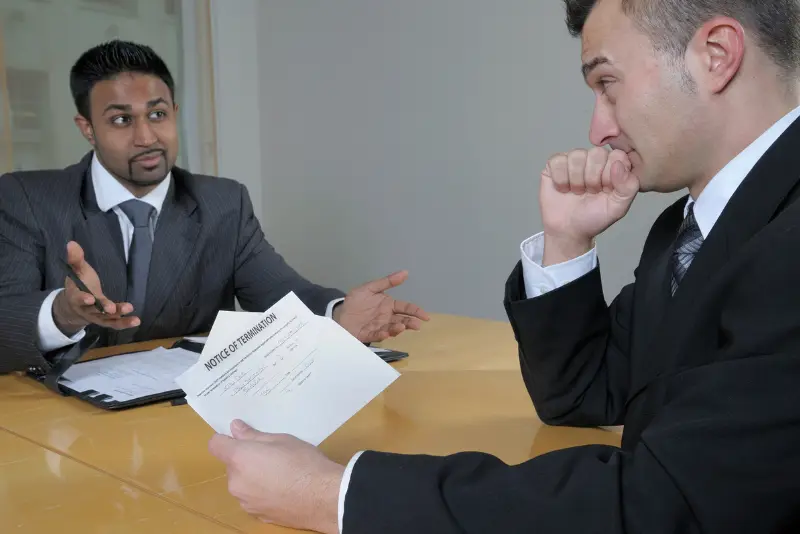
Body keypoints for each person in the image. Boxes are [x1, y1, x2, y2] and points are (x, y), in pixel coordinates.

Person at [206, 0, 800, 532]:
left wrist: (335, 495)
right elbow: (586, 395)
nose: (598, 128)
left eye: (608, 83)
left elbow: (666, 503)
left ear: (716, 54)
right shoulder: (689, 226)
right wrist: (566, 240)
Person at [0, 40, 428, 375]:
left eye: (158, 113)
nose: (147, 136)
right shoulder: (27, 199)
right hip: (54, 425)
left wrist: (338, 315)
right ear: (87, 129)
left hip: (178, 416)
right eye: (120, 120)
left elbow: (281, 292)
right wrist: (61, 312)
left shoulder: (222, 202)